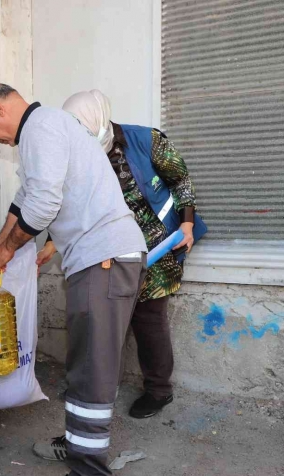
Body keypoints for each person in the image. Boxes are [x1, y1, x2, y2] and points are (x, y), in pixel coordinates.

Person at [0, 83, 148, 476]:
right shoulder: (44, 130)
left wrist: (9, 250)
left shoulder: (44, 126)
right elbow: (23, 201)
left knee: (92, 373)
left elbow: (43, 204)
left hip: (103, 258)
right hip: (100, 259)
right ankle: (77, 445)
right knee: (87, 364)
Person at [39, 89, 206, 419]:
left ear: (99, 118)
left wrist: (186, 226)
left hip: (156, 246)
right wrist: (51, 243)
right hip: (108, 251)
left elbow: (180, 179)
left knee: (149, 321)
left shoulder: (144, 140)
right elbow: (67, 201)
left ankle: (159, 391)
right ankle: (95, 390)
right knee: (102, 323)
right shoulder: (79, 153)